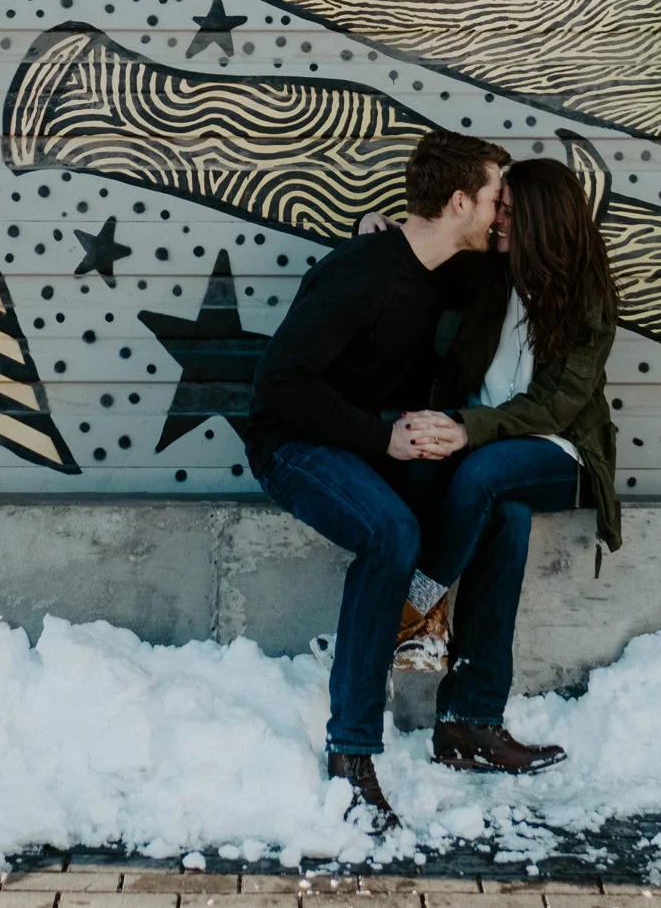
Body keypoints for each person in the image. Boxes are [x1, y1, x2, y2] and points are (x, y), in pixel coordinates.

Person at [242, 128, 521, 836]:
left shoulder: (438, 264)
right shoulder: (360, 271)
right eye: (494, 199)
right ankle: (352, 753)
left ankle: (468, 717)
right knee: (389, 531)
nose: (499, 213)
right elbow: (280, 384)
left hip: (375, 437)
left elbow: (502, 273)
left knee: (500, 498)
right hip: (298, 445)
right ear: (460, 201)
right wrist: (381, 436)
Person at [393, 157, 624, 770]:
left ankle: (408, 616)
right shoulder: (491, 272)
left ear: (545, 222)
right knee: (506, 515)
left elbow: (554, 406)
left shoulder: (589, 295)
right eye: (500, 209)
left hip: (558, 451)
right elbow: (420, 260)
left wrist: (468, 429)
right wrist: (377, 231)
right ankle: (467, 725)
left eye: (512, 214)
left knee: (486, 476)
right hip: (483, 443)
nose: (498, 223)